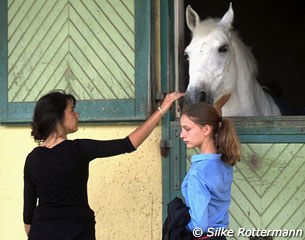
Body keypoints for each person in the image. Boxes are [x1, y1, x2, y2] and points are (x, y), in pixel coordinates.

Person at [23, 90, 184, 240]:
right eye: (72, 110)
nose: (76, 114)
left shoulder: (32, 159)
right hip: (77, 231)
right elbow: (127, 144)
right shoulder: (78, 149)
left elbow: (28, 216)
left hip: (41, 232)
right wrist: (161, 110)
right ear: (57, 117)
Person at [179, 102, 241, 240]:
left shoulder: (198, 172)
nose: (181, 135)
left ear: (206, 130)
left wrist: (177, 224)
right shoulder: (224, 162)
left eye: (187, 129)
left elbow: (199, 226)